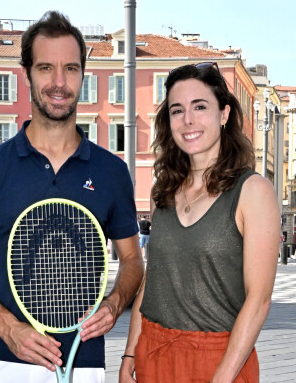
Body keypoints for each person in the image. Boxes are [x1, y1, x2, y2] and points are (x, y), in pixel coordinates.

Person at [0, 11, 144, 383]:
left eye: (71, 69)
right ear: (27, 73)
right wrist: (9, 329)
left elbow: (132, 261)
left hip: (81, 363)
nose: (59, 82)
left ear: (84, 74)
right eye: (46, 68)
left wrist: (114, 304)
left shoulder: (111, 171)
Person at [119, 63, 280, 382]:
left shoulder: (253, 191)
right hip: (153, 353)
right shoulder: (161, 192)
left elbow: (258, 300)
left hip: (220, 360)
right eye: (177, 110)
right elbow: (153, 281)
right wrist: (129, 354)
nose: (188, 120)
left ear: (224, 114)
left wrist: (221, 377)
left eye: (200, 106)